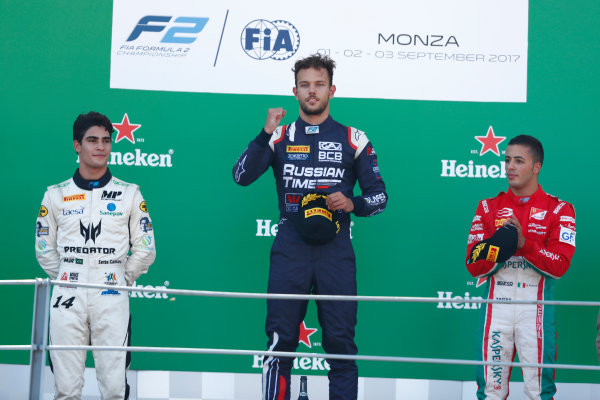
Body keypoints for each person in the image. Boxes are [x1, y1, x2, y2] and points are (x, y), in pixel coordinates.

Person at [232, 54, 387, 400]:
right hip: (290, 248)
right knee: (279, 342)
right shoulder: (280, 135)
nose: (312, 91)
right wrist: (264, 133)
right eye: (305, 85)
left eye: (319, 84)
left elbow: (379, 197)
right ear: (295, 91)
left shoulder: (354, 138)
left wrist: (352, 203)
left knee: (341, 344)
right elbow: (241, 176)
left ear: (332, 89)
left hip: (336, 251)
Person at [35, 111, 156, 399]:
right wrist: (68, 274)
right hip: (67, 289)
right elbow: (43, 248)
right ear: (77, 145)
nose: (101, 147)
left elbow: (145, 247)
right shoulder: (55, 194)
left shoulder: (129, 193)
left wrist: (117, 277)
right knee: (66, 388)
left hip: (111, 287)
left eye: (106, 140)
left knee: (114, 388)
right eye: (92, 140)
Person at [465, 135, 576, 399]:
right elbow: (472, 262)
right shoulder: (487, 207)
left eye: (518, 160)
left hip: (534, 310)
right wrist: (500, 247)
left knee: (539, 391)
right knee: (491, 391)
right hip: (497, 306)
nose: (510, 167)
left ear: (536, 167)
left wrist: (525, 244)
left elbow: (560, 265)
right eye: (506, 160)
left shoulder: (560, 210)